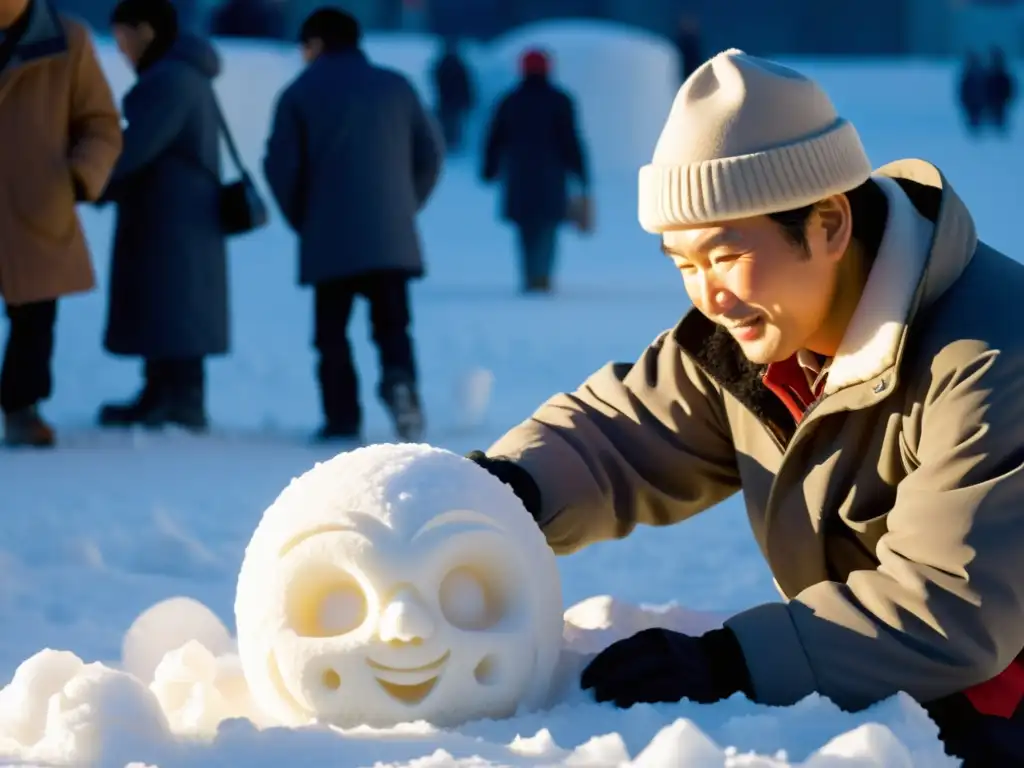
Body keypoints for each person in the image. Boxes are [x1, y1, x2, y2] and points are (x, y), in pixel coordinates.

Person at [468, 48, 1024, 765]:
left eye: (725, 256)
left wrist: (730, 663)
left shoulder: (989, 354)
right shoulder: (755, 336)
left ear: (827, 224)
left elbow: (952, 606)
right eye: (683, 264)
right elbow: (623, 434)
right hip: (892, 693)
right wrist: (500, 493)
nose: (710, 296)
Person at [263, 8, 442, 444]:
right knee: (393, 326)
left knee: (331, 335)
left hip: (329, 236)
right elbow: (430, 154)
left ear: (317, 44)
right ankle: (401, 384)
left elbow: (280, 168)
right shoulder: (396, 86)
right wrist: (403, 206)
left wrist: (304, 218)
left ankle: (342, 416)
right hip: (390, 235)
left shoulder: (298, 94)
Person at [96, 0, 228, 432]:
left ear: (146, 31)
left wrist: (90, 178)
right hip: (181, 214)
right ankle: (162, 392)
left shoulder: (168, 80)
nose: (121, 50)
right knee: (173, 306)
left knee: (172, 304)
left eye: (122, 38)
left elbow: (133, 148)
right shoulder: (183, 74)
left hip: (171, 217)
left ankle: (179, 399)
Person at [0, 0, 122, 447]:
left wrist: (75, 177)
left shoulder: (67, 39)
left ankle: (22, 409)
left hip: (37, 203)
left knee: (33, 319)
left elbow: (101, 124)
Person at [480, 48, 589, 294]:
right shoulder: (560, 99)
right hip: (552, 175)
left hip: (519, 174)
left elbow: (495, 138)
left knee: (525, 228)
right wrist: (580, 171)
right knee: (548, 227)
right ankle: (542, 275)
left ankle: (529, 274)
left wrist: (489, 168)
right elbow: (571, 140)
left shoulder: (511, 100)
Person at [430, 36, 474, 154]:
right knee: (452, 124)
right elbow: (466, 83)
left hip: (445, 100)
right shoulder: (458, 64)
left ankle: (447, 145)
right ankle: (451, 145)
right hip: (453, 101)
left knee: (446, 124)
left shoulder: (441, 64)